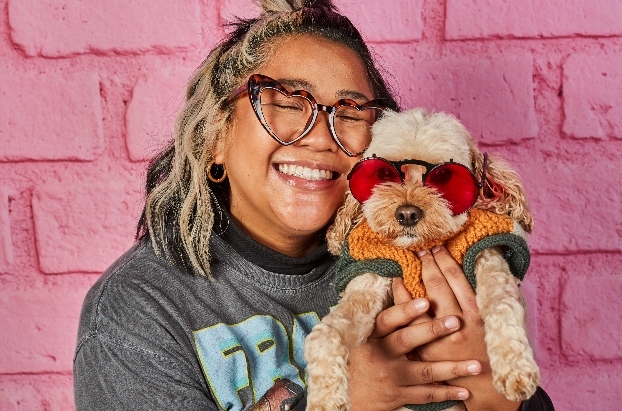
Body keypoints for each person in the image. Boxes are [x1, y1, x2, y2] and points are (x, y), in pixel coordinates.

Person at [73, 1, 554, 410]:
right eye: (285, 100)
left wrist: (504, 400)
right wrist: (351, 398)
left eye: (349, 112)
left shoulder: (421, 263)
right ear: (213, 137)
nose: (321, 137)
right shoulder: (138, 311)